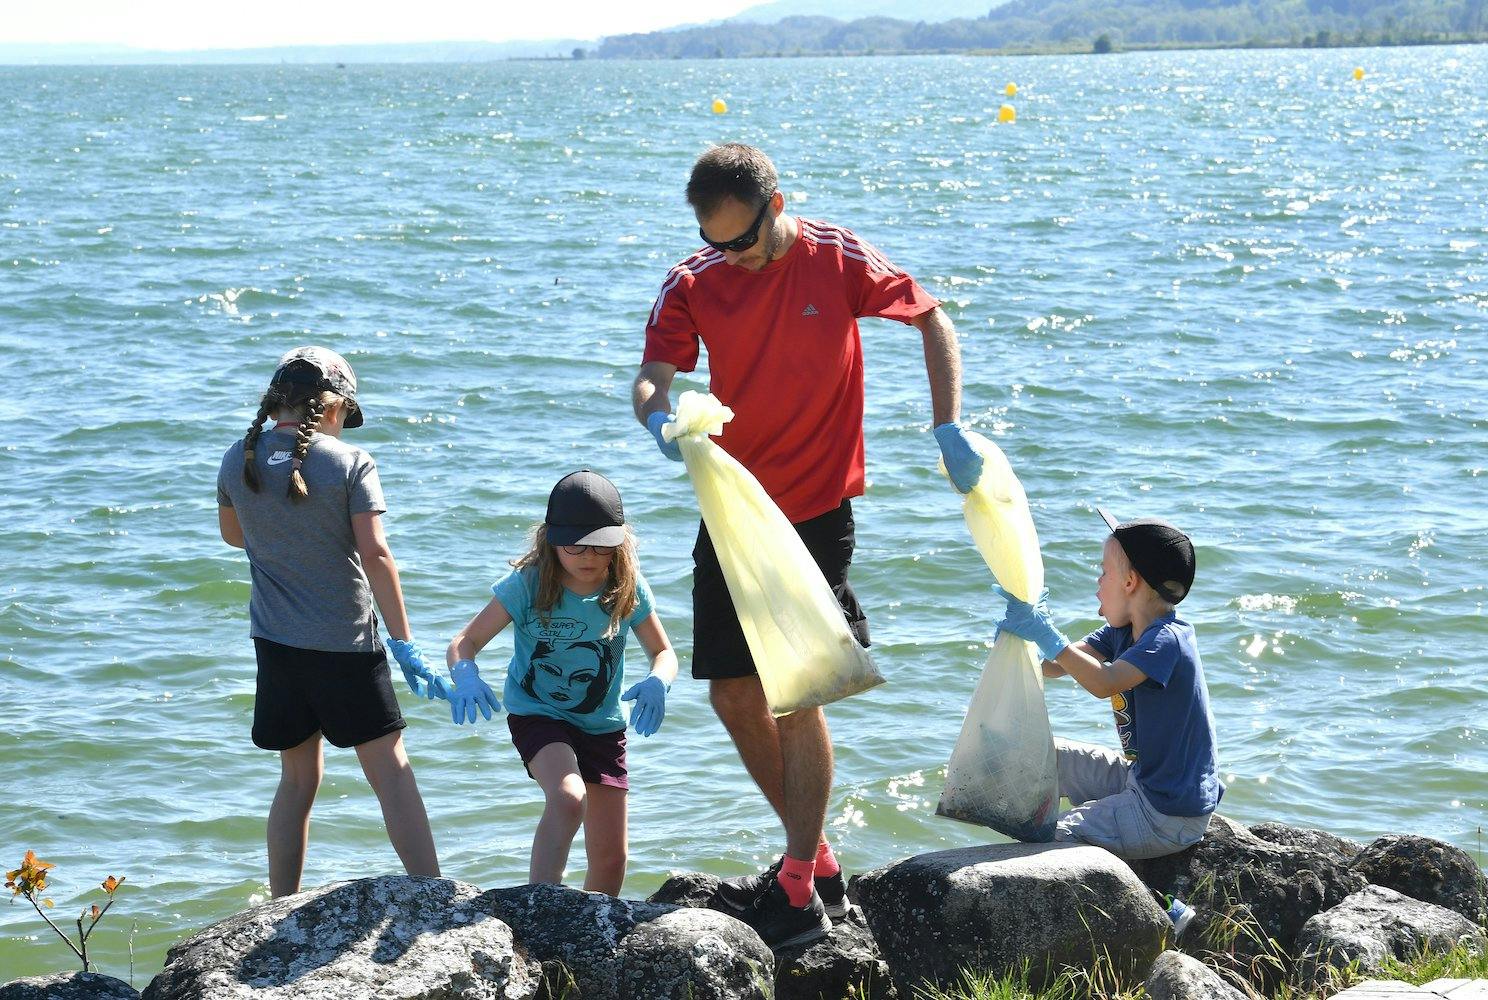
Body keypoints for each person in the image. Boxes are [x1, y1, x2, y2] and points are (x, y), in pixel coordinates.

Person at [632, 142, 985, 948]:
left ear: (777, 202)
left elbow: (931, 317)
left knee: (797, 691)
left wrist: (948, 426)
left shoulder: (836, 255)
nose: (734, 257)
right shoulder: (696, 279)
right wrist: (657, 415)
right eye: (718, 242)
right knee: (730, 692)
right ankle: (815, 857)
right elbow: (651, 373)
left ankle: (795, 885)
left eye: (744, 240)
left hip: (819, 512)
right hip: (732, 509)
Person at [216, 346, 447, 897]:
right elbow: (377, 555)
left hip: (275, 645)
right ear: (335, 405)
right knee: (391, 772)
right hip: (345, 646)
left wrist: (286, 535)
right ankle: (433, 893)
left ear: (277, 402)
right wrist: (405, 642)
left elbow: (233, 536)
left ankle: (281, 902)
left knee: (298, 779)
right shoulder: (349, 463)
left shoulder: (236, 457)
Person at [442, 470, 678, 896]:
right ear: (551, 539)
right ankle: (539, 908)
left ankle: (586, 941)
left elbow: (664, 652)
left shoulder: (626, 588)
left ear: (619, 542)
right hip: (539, 715)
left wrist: (659, 680)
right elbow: (466, 640)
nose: (587, 556)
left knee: (611, 860)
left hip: (603, 725)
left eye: (601, 545)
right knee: (568, 798)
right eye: (574, 544)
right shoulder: (529, 584)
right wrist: (464, 673)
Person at [993, 508, 1223, 934]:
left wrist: (1048, 634)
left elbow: (1103, 681)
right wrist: (1019, 638)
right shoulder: (1120, 632)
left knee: (1056, 839)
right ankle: (1035, 825)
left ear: (1131, 582)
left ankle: (1160, 907)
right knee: (1043, 753)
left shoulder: (1168, 640)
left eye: (1103, 572)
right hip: (1144, 781)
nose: (1097, 583)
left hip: (1167, 813)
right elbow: (1056, 665)